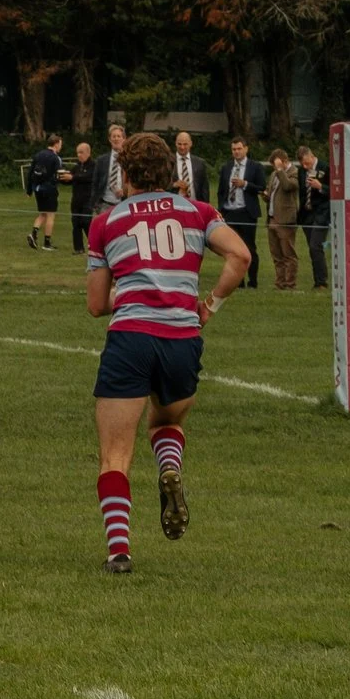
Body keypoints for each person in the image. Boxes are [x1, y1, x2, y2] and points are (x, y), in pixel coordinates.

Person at [84, 132, 250, 574]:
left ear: (125, 175)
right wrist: (209, 304)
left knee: (114, 454)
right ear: (172, 173)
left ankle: (119, 551)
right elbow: (241, 256)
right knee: (168, 419)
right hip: (182, 339)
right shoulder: (198, 212)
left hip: (131, 339)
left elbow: (97, 305)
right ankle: (170, 467)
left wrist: (129, 289)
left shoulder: (105, 223)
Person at [214, 137, 264, 288]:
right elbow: (221, 190)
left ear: (246, 149)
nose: (236, 152)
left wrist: (245, 184)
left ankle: (253, 281)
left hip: (246, 212)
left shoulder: (255, 167)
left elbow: (261, 187)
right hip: (230, 212)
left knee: (249, 248)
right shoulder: (227, 167)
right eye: (234, 149)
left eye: (239, 149)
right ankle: (238, 281)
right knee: (233, 250)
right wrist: (221, 208)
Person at [265, 148, 301, 291]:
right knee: (276, 254)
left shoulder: (294, 173)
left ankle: (290, 283)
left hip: (286, 220)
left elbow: (287, 186)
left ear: (284, 161)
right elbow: (273, 191)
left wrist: (280, 170)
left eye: (276, 164)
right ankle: (279, 283)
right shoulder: (274, 174)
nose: (274, 168)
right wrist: (266, 195)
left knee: (288, 254)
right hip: (272, 218)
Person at [297, 144, 332, 289]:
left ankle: (322, 282)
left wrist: (321, 187)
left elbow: (336, 190)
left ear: (312, 156)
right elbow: (301, 193)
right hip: (307, 214)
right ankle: (316, 279)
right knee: (311, 248)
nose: (305, 166)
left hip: (322, 212)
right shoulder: (301, 172)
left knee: (316, 245)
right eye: (302, 164)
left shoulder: (326, 168)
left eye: (307, 163)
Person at [24, 133, 62, 251]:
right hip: (49, 189)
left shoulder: (38, 155)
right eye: (60, 144)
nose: (61, 146)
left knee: (42, 214)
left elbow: (30, 173)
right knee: (50, 215)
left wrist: (29, 190)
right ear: (56, 144)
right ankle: (47, 242)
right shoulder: (55, 158)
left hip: (38, 189)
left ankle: (33, 234)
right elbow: (58, 174)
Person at [66, 139, 100, 253]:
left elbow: (88, 177)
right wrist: (62, 177)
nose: (79, 155)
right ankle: (78, 248)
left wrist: (74, 177)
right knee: (76, 223)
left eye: (81, 152)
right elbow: (71, 178)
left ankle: (94, 245)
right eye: (77, 153)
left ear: (88, 153)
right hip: (76, 199)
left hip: (88, 199)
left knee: (86, 222)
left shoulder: (93, 165)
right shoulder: (77, 167)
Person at [168, 130, 208, 203]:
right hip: (175, 204)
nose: (182, 147)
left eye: (185, 144)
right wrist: (174, 184)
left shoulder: (200, 163)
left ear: (191, 144)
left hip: (195, 204)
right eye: (179, 144)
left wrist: (206, 206)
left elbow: (204, 188)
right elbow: (161, 185)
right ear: (175, 144)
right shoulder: (168, 162)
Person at [98, 123, 129, 206]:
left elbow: (134, 181)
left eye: (119, 136)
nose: (116, 139)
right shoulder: (101, 160)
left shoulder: (129, 160)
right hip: (104, 204)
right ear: (109, 139)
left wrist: (125, 191)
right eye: (114, 136)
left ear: (124, 139)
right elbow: (95, 183)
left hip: (123, 204)